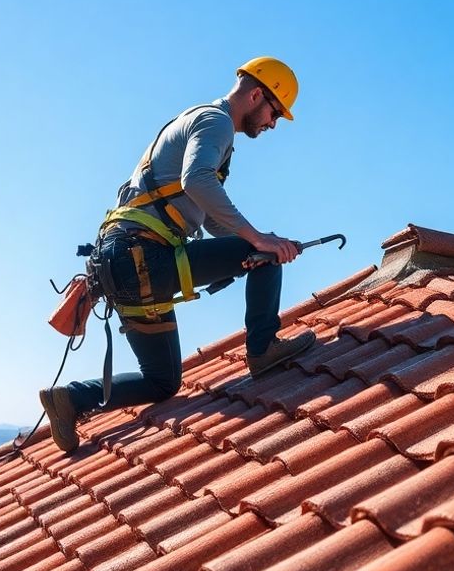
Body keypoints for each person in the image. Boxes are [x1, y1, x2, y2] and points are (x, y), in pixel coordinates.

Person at [38, 56, 316, 452]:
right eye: (274, 112)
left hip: (124, 266)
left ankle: (70, 398)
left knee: (163, 381)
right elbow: (197, 180)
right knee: (264, 256)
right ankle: (264, 349)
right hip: (144, 258)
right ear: (257, 95)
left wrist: (257, 237)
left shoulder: (194, 121)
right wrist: (260, 241)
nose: (272, 124)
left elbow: (210, 217)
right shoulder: (216, 122)